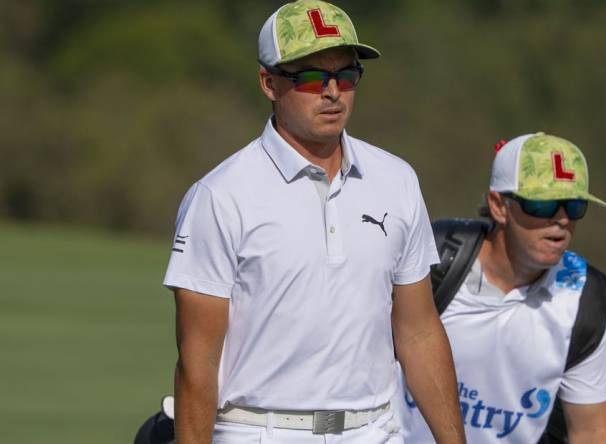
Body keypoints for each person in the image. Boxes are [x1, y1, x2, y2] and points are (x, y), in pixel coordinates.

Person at [162, 1, 465, 442]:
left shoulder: (397, 179)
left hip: (376, 430)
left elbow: (418, 332)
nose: (333, 92)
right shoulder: (219, 196)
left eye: (346, 75)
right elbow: (198, 360)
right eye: (310, 77)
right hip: (259, 430)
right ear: (269, 83)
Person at [393, 133, 606, 443]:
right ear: (499, 206)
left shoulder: (582, 295)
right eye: (544, 204)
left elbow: (591, 431)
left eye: (574, 205)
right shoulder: (436, 261)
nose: (562, 220)